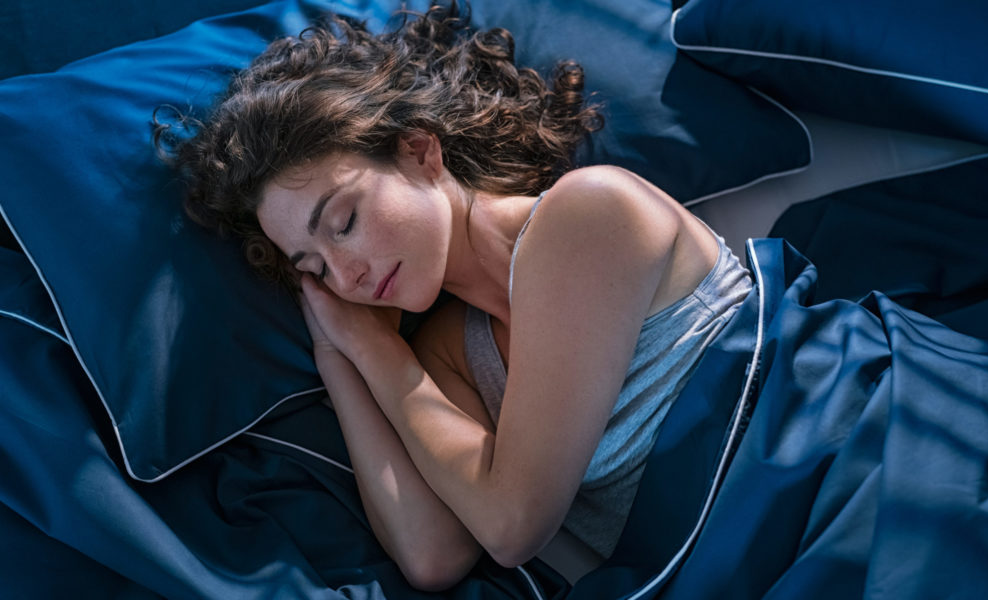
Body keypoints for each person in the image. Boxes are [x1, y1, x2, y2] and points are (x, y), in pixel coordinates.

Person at [155, 2, 751, 591]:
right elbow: (432, 555)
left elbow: (511, 526)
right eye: (313, 267)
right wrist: (341, 355)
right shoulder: (449, 356)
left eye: (344, 222)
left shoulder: (589, 212)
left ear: (420, 152)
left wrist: (379, 355)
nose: (346, 276)